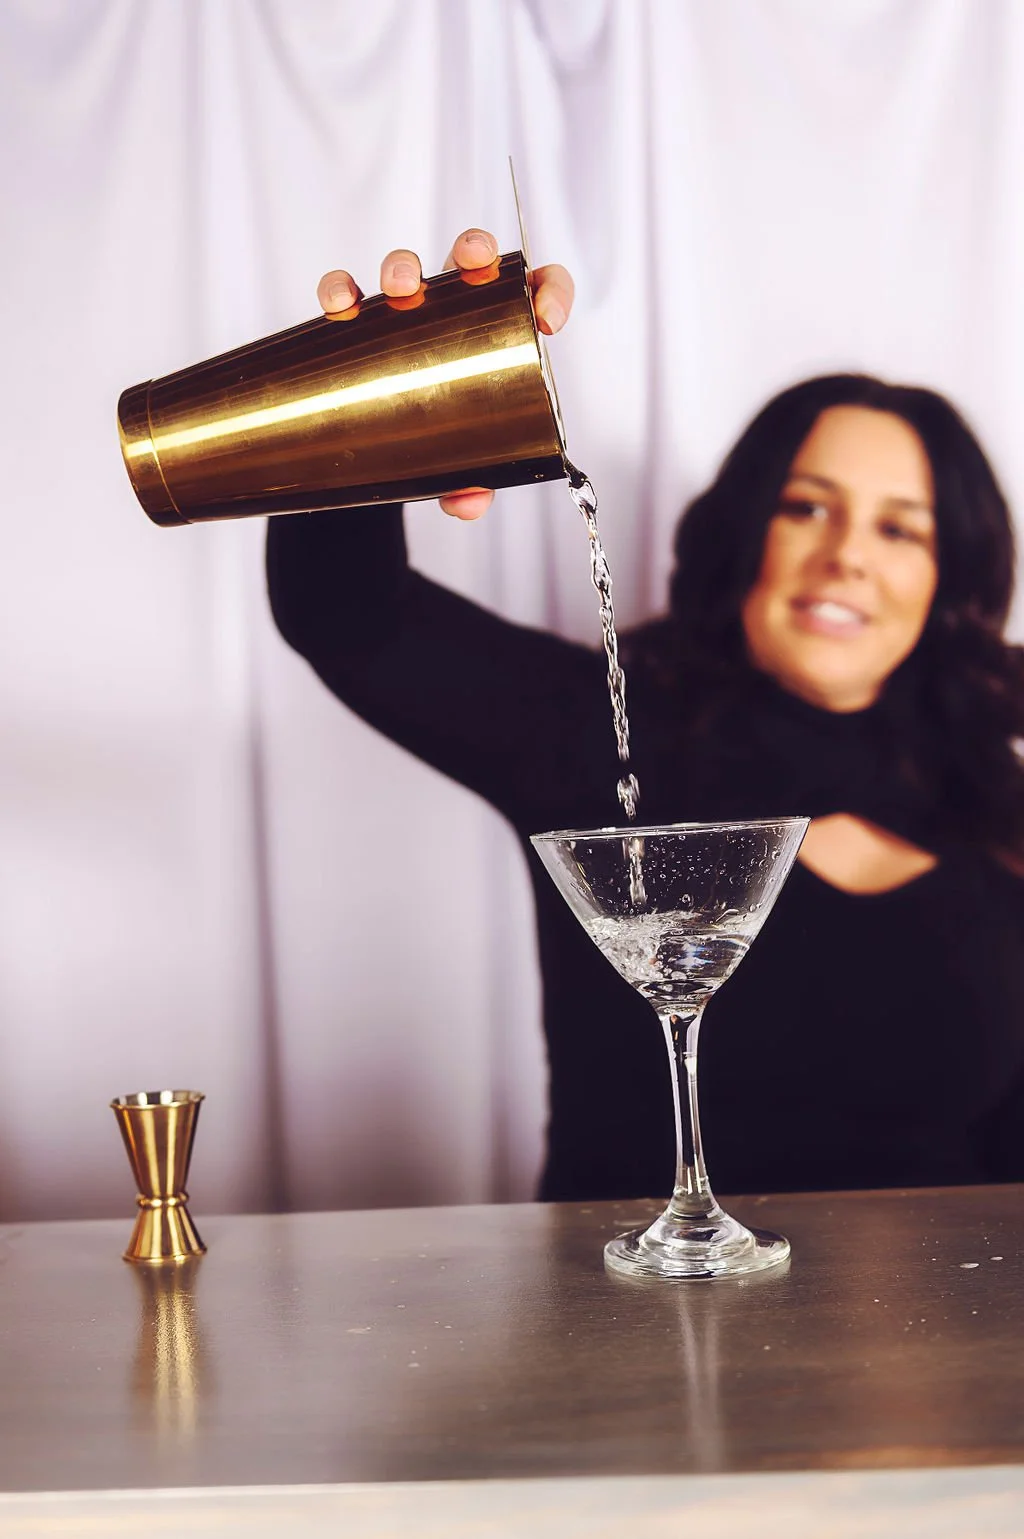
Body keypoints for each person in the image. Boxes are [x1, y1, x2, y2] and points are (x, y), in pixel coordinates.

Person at [268, 229, 1024, 1201]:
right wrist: (372, 389)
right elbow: (348, 613)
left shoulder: (997, 804)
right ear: (743, 533)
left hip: (946, 1336)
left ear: (948, 578)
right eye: (805, 507)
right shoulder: (604, 730)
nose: (847, 556)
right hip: (630, 1330)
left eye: (899, 529)